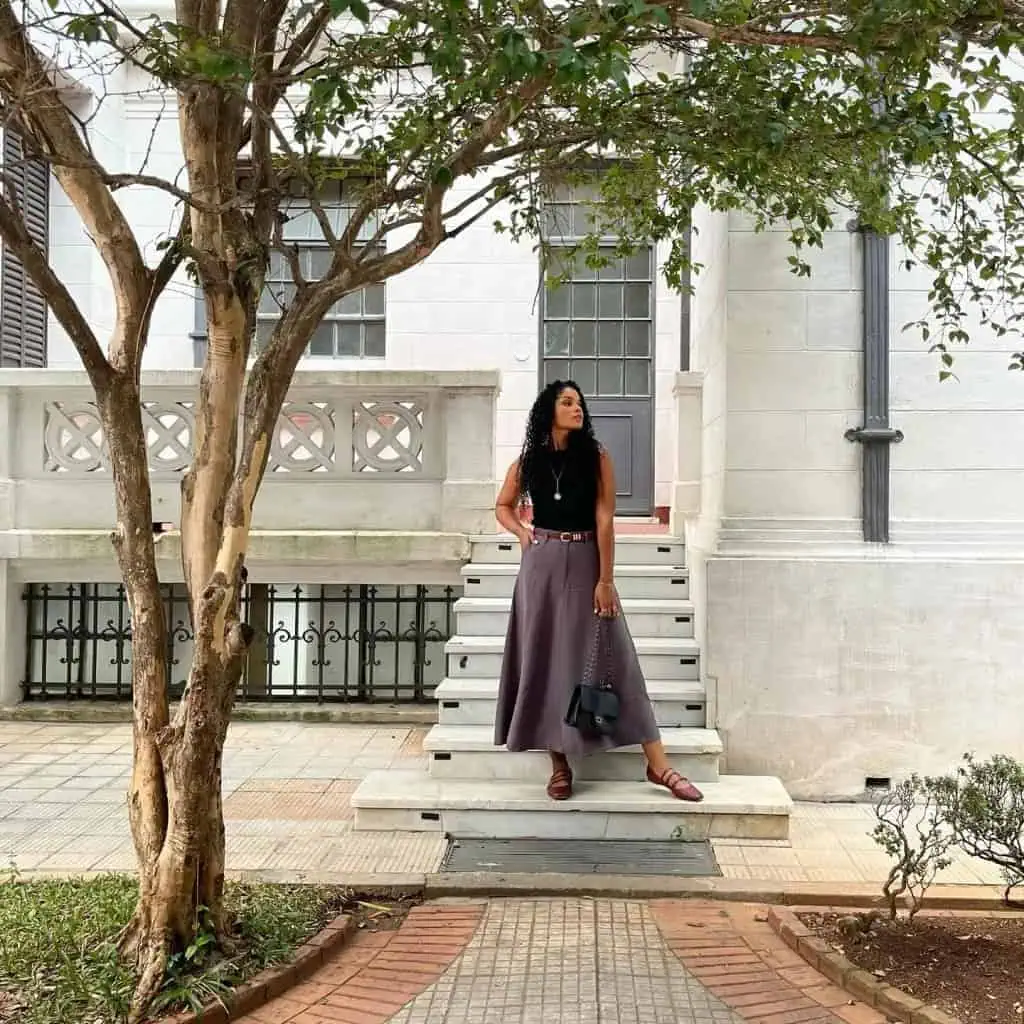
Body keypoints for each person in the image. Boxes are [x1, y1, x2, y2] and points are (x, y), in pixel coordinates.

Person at [493, 380, 704, 803]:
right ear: (547, 411)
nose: (577, 409)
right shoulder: (527, 462)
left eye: (579, 403)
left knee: (618, 657)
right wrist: (521, 533)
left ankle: (658, 764)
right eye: (567, 402)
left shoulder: (596, 457)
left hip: (588, 557)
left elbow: (604, 518)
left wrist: (605, 580)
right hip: (542, 566)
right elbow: (503, 504)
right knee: (546, 661)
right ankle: (559, 766)